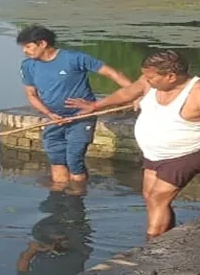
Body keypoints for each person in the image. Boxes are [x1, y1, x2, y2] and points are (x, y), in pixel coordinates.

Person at [67, 50, 200, 239]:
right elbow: (127, 93)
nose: (146, 81)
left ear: (171, 76)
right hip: (154, 154)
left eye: (150, 78)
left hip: (187, 154)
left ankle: (150, 246)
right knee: (150, 197)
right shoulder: (151, 80)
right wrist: (95, 105)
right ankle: (168, 237)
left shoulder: (199, 93)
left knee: (157, 198)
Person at [16, 25, 132, 186]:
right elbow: (31, 95)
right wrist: (49, 114)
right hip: (53, 118)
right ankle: (59, 198)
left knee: (74, 160)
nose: (25, 51)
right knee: (56, 159)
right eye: (23, 48)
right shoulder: (28, 66)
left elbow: (113, 73)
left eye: (28, 46)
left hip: (81, 117)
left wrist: (136, 94)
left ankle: (77, 197)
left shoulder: (74, 58)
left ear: (42, 43)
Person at [16, 188, 92, 275]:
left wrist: (31, 250)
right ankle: (72, 194)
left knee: (53, 211)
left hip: (51, 246)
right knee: (75, 215)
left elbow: (23, 264)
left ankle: (59, 193)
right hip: (72, 247)